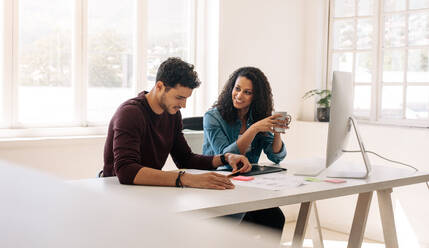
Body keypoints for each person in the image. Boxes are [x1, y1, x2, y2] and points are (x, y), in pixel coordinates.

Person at [103, 57, 251, 189]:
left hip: (145, 191)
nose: (183, 105)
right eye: (179, 97)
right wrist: (186, 179)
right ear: (160, 87)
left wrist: (225, 158)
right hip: (118, 191)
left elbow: (185, 159)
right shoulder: (130, 113)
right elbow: (126, 170)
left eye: (186, 98)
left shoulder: (172, 114)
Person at [202, 66, 289, 236]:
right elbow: (225, 155)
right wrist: (254, 129)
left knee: (276, 219)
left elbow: (276, 156)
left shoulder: (257, 117)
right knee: (243, 224)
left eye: (247, 92)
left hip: (247, 184)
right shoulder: (212, 117)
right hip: (218, 181)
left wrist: (278, 131)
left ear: (256, 97)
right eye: (237, 89)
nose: (239, 95)